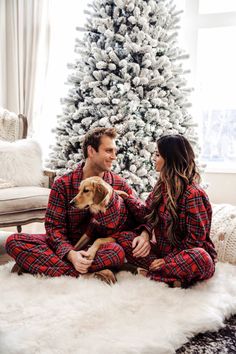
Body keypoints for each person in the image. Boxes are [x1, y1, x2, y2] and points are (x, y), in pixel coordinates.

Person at [5, 127, 149, 283]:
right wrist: (71, 254)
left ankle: (39, 265)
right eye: (108, 151)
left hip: (98, 250)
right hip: (66, 246)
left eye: (115, 151)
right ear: (91, 151)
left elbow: (143, 215)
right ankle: (87, 273)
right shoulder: (63, 184)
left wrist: (145, 235)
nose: (114, 157)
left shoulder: (118, 184)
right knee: (14, 242)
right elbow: (54, 229)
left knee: (116, 253)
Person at [116, 134, 217, 287]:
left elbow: (196, 241)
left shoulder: (193, 194)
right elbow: (148, 215)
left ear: (170, 158)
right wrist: (127, 199)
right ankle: (171, 278)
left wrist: (167, 261)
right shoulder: (161, 186)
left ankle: (151, 274)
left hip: (186, 256)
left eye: (157, 154)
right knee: (124, 237)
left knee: (202, 258)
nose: (153, 158)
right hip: (163, 252)